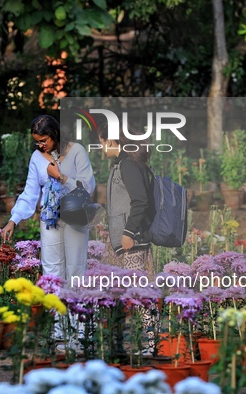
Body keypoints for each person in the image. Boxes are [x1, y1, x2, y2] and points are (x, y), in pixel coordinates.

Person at [1, 114, 96, 283]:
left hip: (76, 215)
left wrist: (60, 176)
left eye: (44, 140)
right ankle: (54, 308)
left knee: (76, 268)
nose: (40, 145)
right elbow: (30, 192)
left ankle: (76, 309)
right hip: (50, 218)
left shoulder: (77, 151)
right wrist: (13, 220)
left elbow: (88, 187)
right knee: (51, 267)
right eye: (37, 142)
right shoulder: (36, 158)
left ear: (55, 133)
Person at [98, 125, 157, 355]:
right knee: (114, 291)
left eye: (103, 142)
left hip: (130, 242)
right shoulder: (121, 164)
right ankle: (117, 344)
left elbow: (140, 201)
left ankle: (151, 345)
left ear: (112, 141)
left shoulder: (129, 165)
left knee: (141, 292)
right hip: (119, 243)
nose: (102, 147)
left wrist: (128, 232)